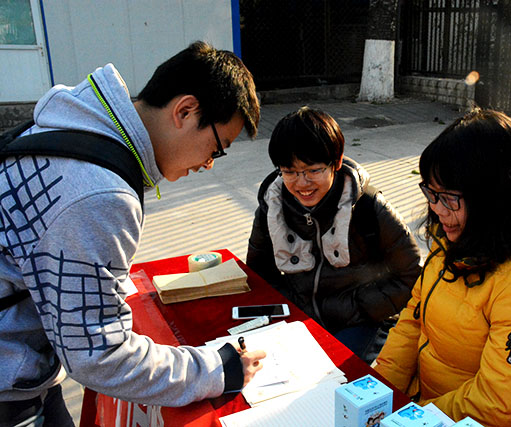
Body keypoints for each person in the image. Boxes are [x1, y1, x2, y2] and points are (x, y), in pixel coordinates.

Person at [0, 41, 266, 425]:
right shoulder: (99, 193)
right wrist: (218, 369)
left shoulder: (74, 127)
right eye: (217, 148)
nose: (209, 164)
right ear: (185, 110)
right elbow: (100, 356)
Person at [374, 109, 511, 426]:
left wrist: (412, 417)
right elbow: (413, 319)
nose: (436, 209)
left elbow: (498, 402)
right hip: (431, 411)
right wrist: (380, 390)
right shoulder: (459, 239)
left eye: (449, 197)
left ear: (494, 198)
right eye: (431, 193)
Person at [246, 106, 421, 364]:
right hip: (301, 320)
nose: (302, 183)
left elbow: (411, 275)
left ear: (336, 163)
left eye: (313, 170)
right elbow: (259, 274)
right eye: (290, 172)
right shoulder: (272, 209)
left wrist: (358, 306)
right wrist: (292, 305)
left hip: (361, 322)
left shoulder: (368, 207)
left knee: (337, 377)